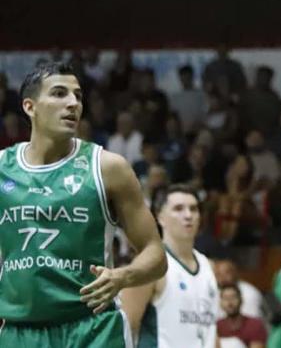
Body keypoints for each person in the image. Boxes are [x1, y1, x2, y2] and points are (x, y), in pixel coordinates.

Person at [0, 63, 167, 347]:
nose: (72, 103)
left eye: (77, 96)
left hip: (93, 330)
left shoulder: (108, 168)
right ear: (30, 107)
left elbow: (156, 254)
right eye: (59, 94)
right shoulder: (3, 167)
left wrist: (122, 276)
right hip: (20, 332)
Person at [121, 185, 220, 347]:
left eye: (194, 209)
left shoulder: (210, 267)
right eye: (178, 209)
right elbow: (125, 327)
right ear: (159, 216)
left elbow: (212, 332)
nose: (188, 215)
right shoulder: (149, 264)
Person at [217, 283, 268, 348]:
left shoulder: (254, 325)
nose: (230, 303)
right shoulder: (216, 327)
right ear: (220, 302)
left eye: (233, 297)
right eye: (226, 298)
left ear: (241, 300)